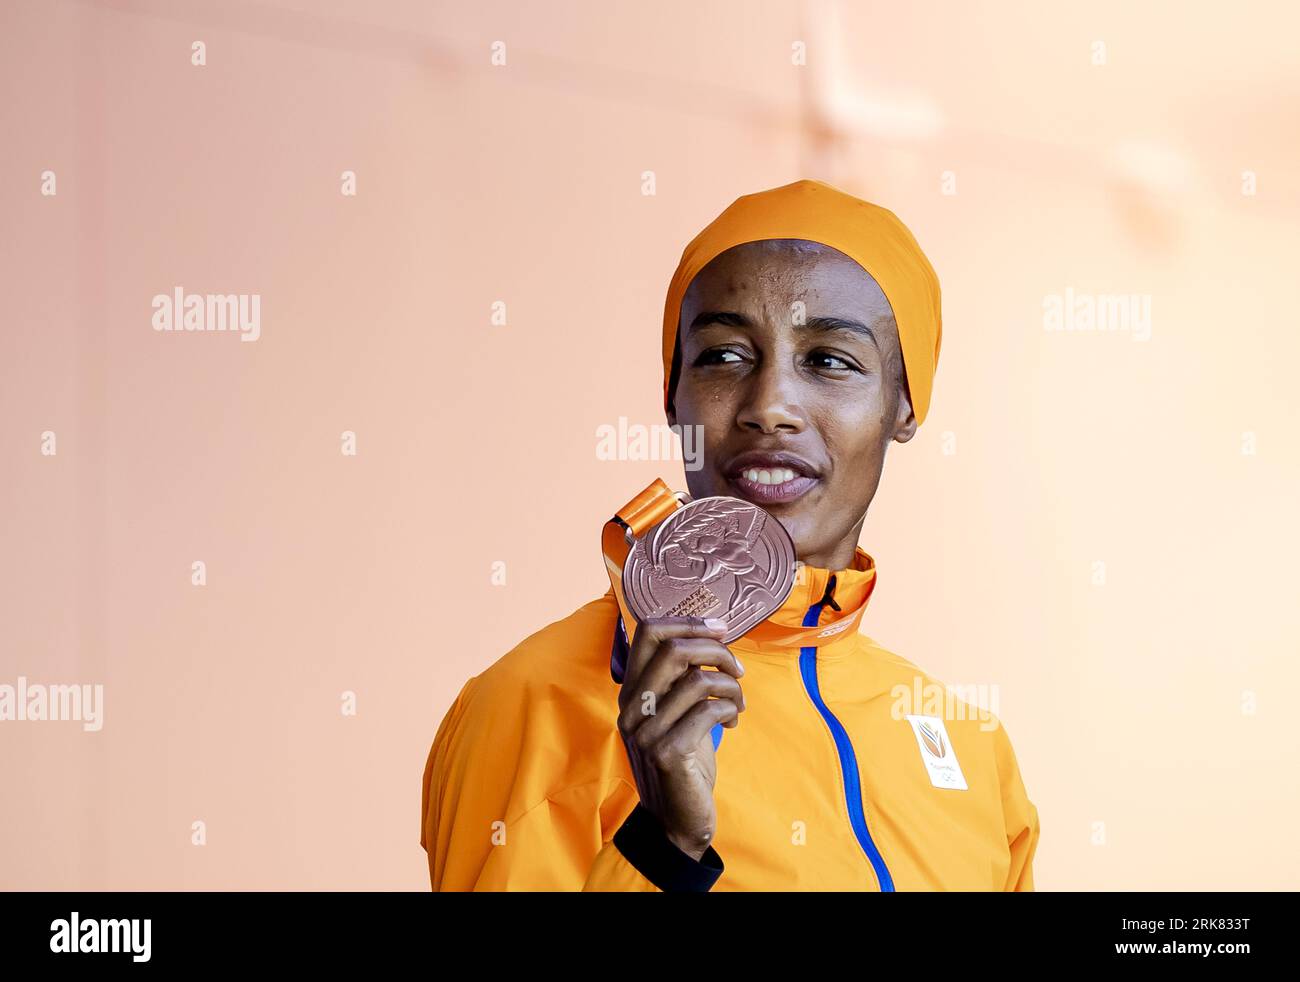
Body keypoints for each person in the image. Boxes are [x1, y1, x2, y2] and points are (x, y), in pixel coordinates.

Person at [420, 178, 1040, 891]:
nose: (770, 406)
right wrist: (665, 848)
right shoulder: (533, 704)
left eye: (830, 361)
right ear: (672, 393)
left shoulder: (968, 745)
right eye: (723, 356)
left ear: (904, 405)